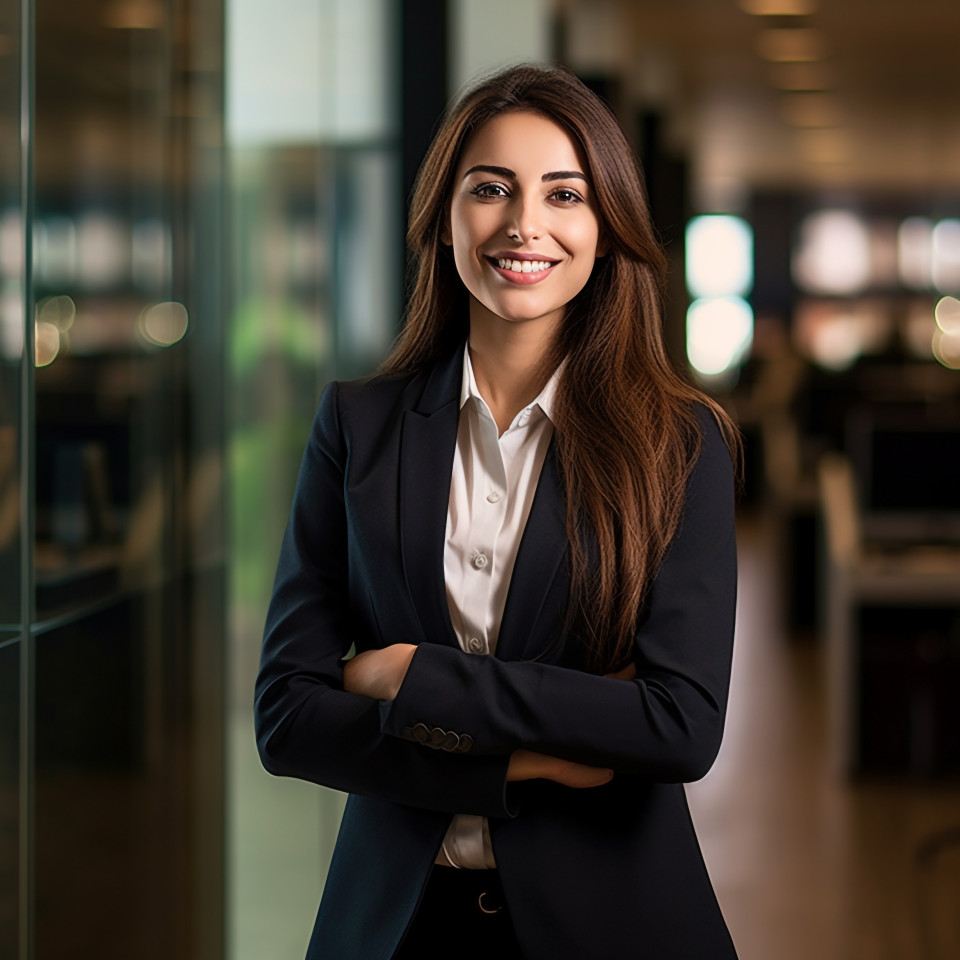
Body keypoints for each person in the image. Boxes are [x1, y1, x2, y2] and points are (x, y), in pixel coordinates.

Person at [255, 63, 741, 960]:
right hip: (394, 927)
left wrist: (408, 675)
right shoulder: (357, 427)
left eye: (565, 194)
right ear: (444, 219)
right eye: (491, 189)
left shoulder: (681, 446)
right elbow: (287, 717)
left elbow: (679, 725)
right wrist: (533, 756)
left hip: (613, 926)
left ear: (606, 230)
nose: (525, 224)